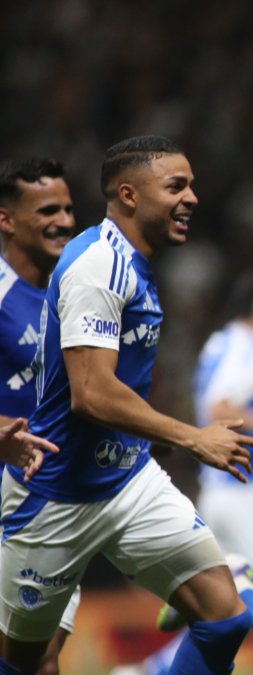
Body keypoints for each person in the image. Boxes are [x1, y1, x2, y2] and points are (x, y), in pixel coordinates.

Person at [0, 135, 253, 675]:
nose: (192, 198)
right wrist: (191, 436)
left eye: (192, 185)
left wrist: (156, 437)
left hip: (128, 482)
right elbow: (92, 392)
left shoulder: (135, 264)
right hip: (54, 495)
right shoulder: (99, 264)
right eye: (176, 186)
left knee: (225, 616)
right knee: (26, 663)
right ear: (130, 195)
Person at [142, 275, 253, 675]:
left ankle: (148, 670)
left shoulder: (220, 343)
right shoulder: (249, 346)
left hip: (221, 493)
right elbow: (219, 408)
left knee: (222, 610)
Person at [0, 157, 82, 675]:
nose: (66, 221)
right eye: (49, 210)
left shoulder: (74, 289)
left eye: (70, 209)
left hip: (52, 489)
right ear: (6, 220)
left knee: (43, 653)